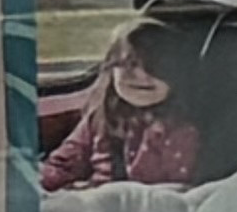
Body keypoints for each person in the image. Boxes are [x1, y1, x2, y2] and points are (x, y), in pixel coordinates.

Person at [40, 16, 207, 192]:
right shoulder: (100, 117)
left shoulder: (182, 129)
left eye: (155, 67)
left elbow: (173, 191)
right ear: (111, 70)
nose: (140, 75)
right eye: (127, 64)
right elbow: (64, 164)